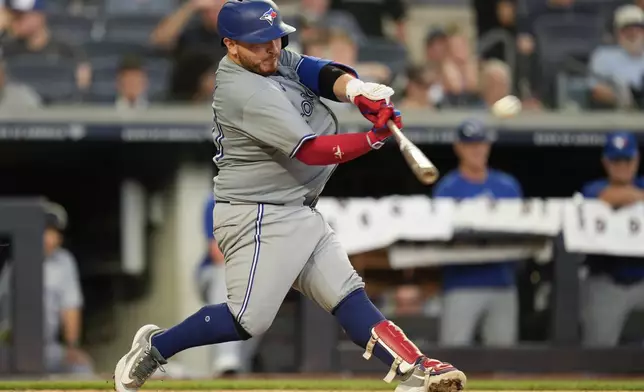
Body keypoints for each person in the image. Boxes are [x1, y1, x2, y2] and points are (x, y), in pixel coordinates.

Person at [113, 2, 466, 392]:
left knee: (348, 295)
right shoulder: (241, 89)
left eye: (276, 39)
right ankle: (155, 347)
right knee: (247, 321)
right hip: (257, 215)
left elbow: (315, 70)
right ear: (231, 45)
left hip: (296, 207)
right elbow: (310, 150)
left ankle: (414, 372)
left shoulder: (268, 57)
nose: (273, 49)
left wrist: (357, 90)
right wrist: (372, 139)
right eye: (260, 43)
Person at [432, 119, 522, 347]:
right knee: (453, 356)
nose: (477, 149)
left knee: (504, 360)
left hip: (502, 283)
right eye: (470, 144)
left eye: (481, 143)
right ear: (458, 147)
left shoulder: (507, 186)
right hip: (461, 284)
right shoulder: (447, 188)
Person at [0, 202, 94, 374]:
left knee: (80, 367)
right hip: (10, 348)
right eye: (48, 231)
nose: (53, 238)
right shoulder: (15, 260)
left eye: (57, 233)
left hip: (46, 349)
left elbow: (70, 307)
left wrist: (72, 346)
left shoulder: (64, 261)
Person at [579, 131, 644, 347]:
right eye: (616, 160)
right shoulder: (593, 188)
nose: (622, 165)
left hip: (641, 277)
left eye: (627, 159)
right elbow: (609, 196)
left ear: (636, 160)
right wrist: (635, 198)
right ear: (606, 162)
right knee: (598, 351)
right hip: (606, 280)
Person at [195, 195, 258, 375]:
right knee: (227, 272)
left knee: (261, 292)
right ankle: (225, 358)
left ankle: (237, 369)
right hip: (212, 276)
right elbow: (216, 252)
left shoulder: (263, 203)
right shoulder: (214, 201)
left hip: (250, 277)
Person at [588, 5, 644, 109]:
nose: (633, 33)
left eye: (638, 29)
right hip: (615, 115)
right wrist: (617, 97)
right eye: (627, 29)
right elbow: (595, 89)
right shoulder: (603, 55)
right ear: (617, 32)